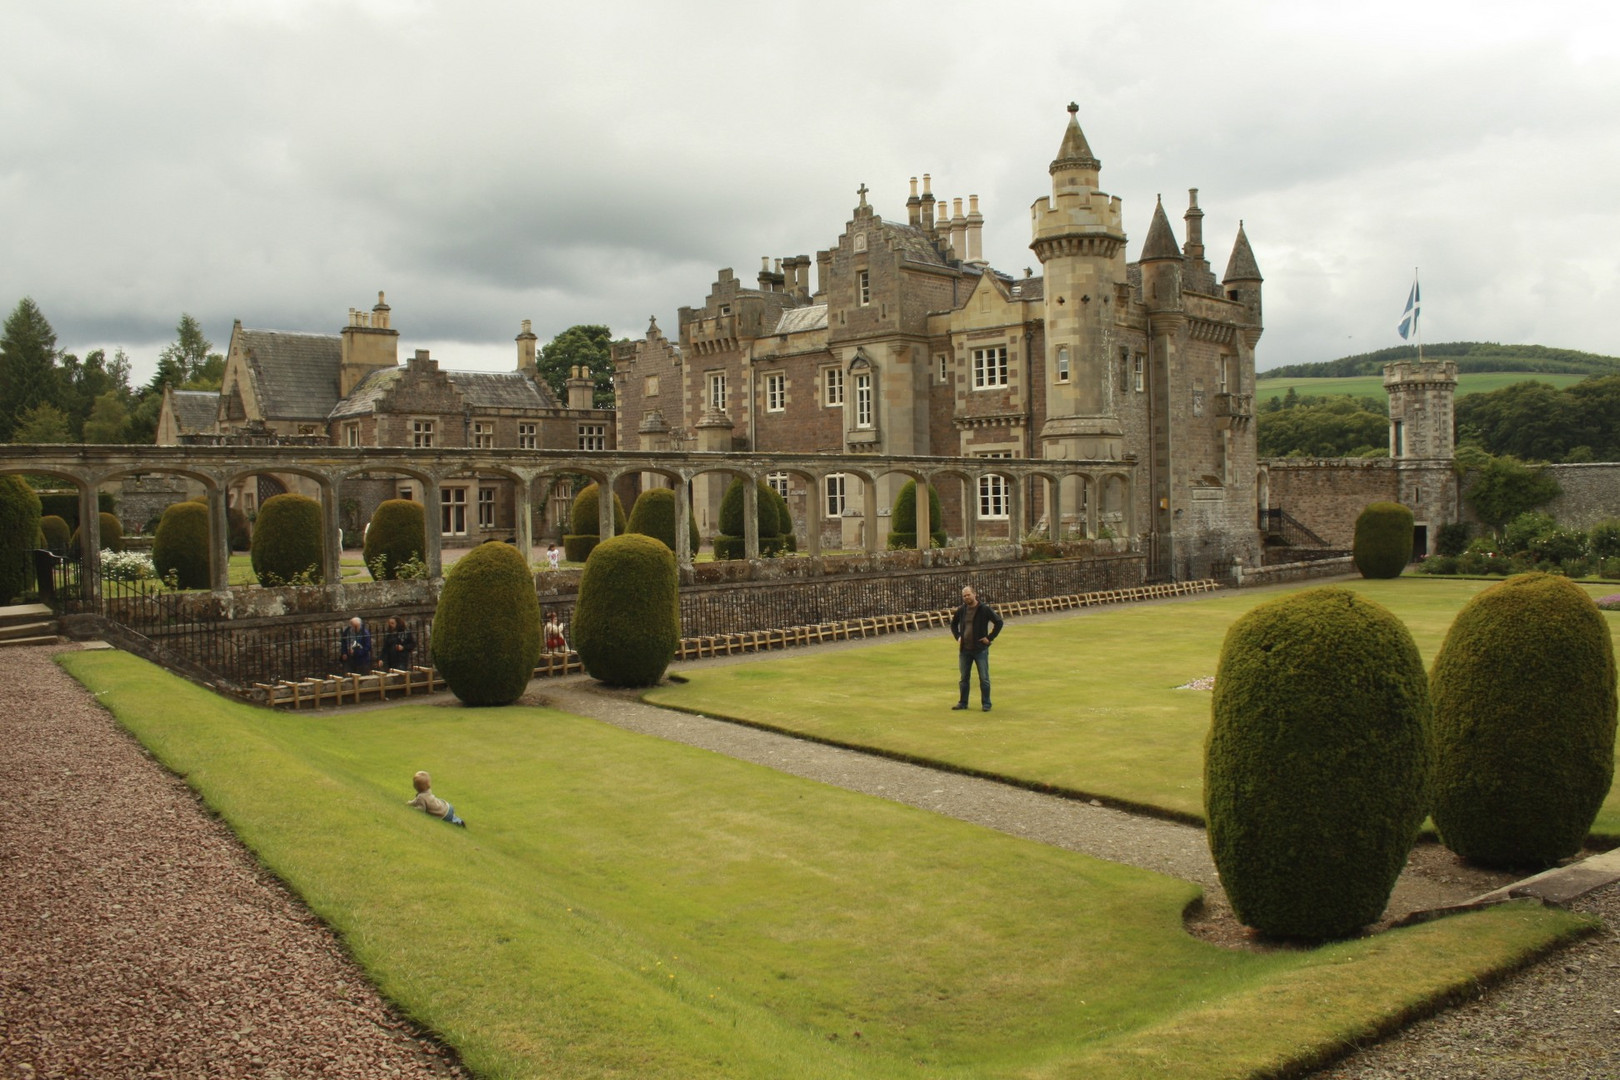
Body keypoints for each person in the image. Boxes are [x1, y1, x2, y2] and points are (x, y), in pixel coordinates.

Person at [950, 584, 1003, 712]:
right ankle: (963, 702)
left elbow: (999, 622)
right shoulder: (962, 609)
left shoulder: (984, 609)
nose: (967, 597)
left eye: (968, 594)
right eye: (964, 596)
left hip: (980, 649)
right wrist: (958, 637)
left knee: (984, 678)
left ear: (974, 594)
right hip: (965, 650)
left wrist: (989, 638)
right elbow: (953, 624)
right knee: (964, 678)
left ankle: (986, 703)